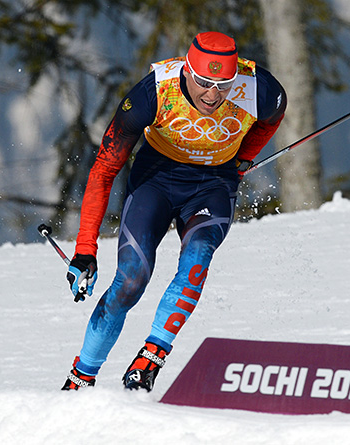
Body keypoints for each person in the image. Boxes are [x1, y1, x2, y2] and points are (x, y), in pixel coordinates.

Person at [61, 31, 287, 391]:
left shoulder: (259, 89)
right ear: (186, 71)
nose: (212, 95)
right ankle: (82, 376)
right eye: (203, 82)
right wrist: (86, 249)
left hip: (214, 184)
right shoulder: (153, 93)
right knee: (131, 279)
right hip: (156, 179)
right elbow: (104, 169)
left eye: (223, 84)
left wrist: (245, 156)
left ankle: (152, 356)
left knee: (198, 256)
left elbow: (273, 115)